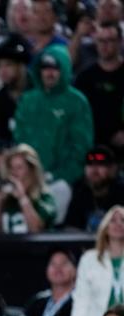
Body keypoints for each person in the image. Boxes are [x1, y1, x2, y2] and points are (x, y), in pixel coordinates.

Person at [13, 46, 94, 189]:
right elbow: (19, 139)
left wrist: (60, 176)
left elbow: (81, 148)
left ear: (64, 69)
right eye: (45, 68)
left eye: (55, 68)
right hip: (28, 180)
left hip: (63, 182)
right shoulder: (28, 99)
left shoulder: (76, 101)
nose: (49, 73)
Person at [72, 206, 124, 316]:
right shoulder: (89, 259)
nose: (118, 224)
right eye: (113, 220)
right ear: (105, 227)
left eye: (123, 220)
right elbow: (81, 300)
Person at [13, 249, 77, 316]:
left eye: (63, 264)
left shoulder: (80, 301)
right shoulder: (36, 301)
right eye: (53, 264)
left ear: (75, 270)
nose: (58, 269)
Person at [0, 144, 58, 234]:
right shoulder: (6, 198)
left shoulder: (45, 198)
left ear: (32, 171)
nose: (14, 173)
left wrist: (22, 198)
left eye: (19, 168)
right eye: (11, 168)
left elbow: (36, 230)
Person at [74, 21, 124, 149]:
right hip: (92, 144)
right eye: (101, 41)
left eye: (110, 40)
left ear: (120, 42)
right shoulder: (84, 77)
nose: (104, 45)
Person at [65, 146, 124, 232]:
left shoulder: (121, 191)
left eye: (101, 164)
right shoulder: (79, 190)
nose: (95, 169)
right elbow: (70, 227)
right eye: (90, 164)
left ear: (112, 169)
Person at [0, 32, 33, 144]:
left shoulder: (41, 92)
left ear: (21, 65)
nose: (2, 71)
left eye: (8, 64)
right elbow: (0, 137)